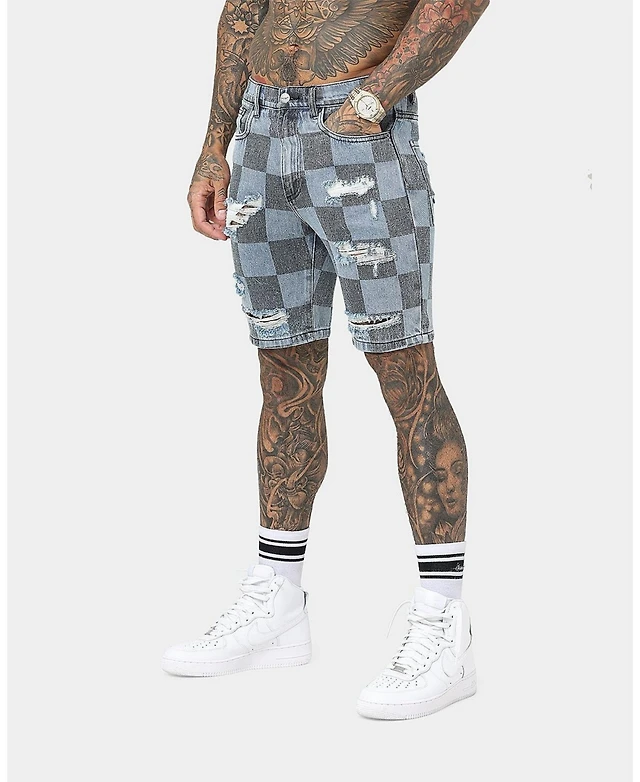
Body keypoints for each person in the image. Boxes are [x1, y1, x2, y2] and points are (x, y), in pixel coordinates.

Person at [162, 0, 490, 721]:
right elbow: (245, 9)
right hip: (259, 136)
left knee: (405, 372)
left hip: (360, 136)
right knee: (283, 376)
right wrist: (215, 143)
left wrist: (375, 98)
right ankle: (278, 600)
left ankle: (444, 623)